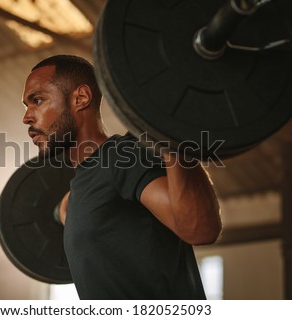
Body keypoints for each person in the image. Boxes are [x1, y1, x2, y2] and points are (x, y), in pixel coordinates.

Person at [22, 54, 222, 299]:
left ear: (81, 98)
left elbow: (200, 229)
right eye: (26, 106)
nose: (27, 117)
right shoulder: (81, 187)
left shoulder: (123, 157)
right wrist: (62, 210)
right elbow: (76, 209)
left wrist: (171, 133)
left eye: (37, 100)